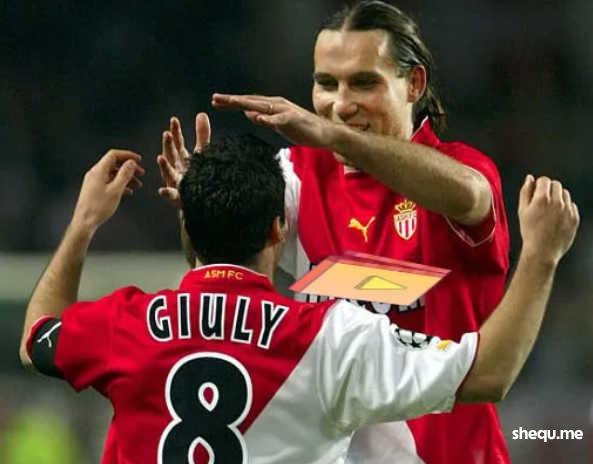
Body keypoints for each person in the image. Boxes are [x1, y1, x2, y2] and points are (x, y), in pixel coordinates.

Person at [19, 136, 578, 463]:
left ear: (185, 226)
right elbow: (489, 374)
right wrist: (541, 255)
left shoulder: (127, 321)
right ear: (278, 229)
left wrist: (83, 223)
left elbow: (36, 337)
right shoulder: (329, 336)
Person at [203, 1, 512, 462]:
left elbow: (469, 196)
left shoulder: (461, 170)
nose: (341, 105)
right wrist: (201, 204)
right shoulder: (298, 174)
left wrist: (335, 136)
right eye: (326, 84)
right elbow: (225, 265)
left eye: (364, 83)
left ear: (414, 83)